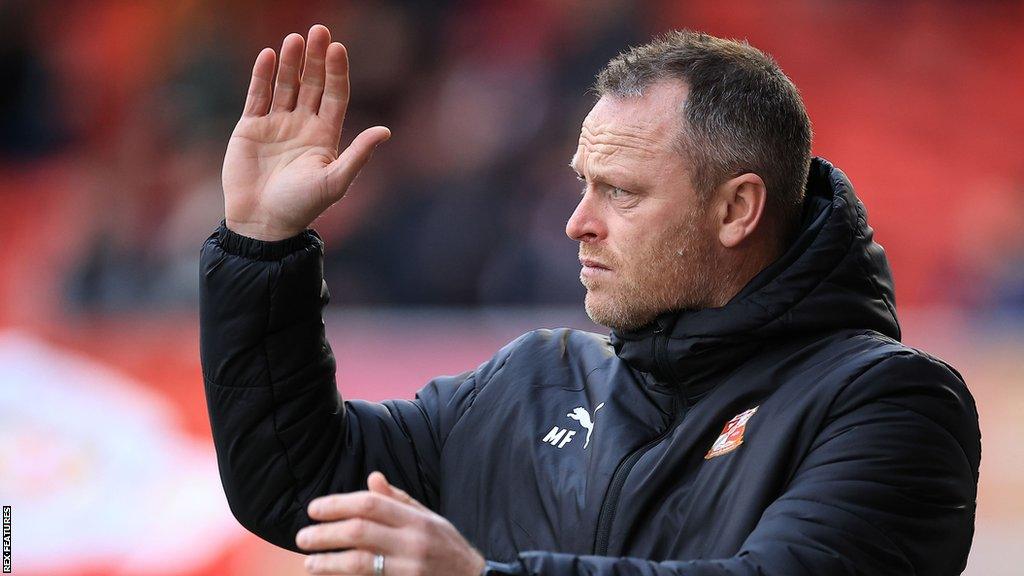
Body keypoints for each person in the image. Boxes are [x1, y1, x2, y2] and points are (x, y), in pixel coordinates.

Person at [200, 25, 980, 576]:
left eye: (621, 192)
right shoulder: (528, 383)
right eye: (583, 183)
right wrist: (262, 245)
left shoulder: (890, 404)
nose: (578, 222)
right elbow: (300, 486)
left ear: (737, 210)